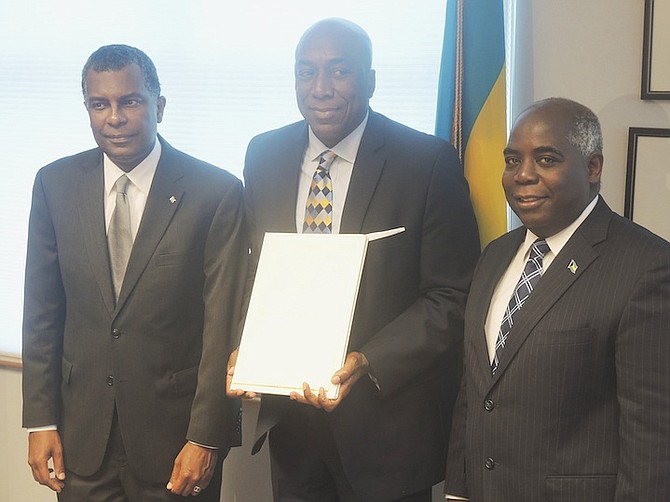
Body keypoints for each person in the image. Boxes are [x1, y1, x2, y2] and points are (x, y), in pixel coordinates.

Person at [228, 18, 480, 502]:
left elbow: (453, 295)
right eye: (306, 72)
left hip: (387, 431)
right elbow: (255, 267)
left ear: (370, 80)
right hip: (294, 428)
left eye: (339, 71)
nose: (320, 89)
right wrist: (246, 345)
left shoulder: (426, 162)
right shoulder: (265, 154)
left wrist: (368, 360)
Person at [22, 44, 246, 501]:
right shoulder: (55, 183)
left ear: (158, 106)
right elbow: (42, 309)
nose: (114, 117)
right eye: (99, 104)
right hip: (81, 439)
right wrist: (40, 421)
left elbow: (223, 325)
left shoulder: (215, 192)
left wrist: (207, 437)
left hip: (176, 444)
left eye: (130, 101)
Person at [444, 97, 670, 501]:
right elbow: (476, 392)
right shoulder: (494, 255)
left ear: (593, 167)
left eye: (546, 160)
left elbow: (653, 435)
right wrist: (458, 492)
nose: (523, 175)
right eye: (513, 160)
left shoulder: (647, 267)